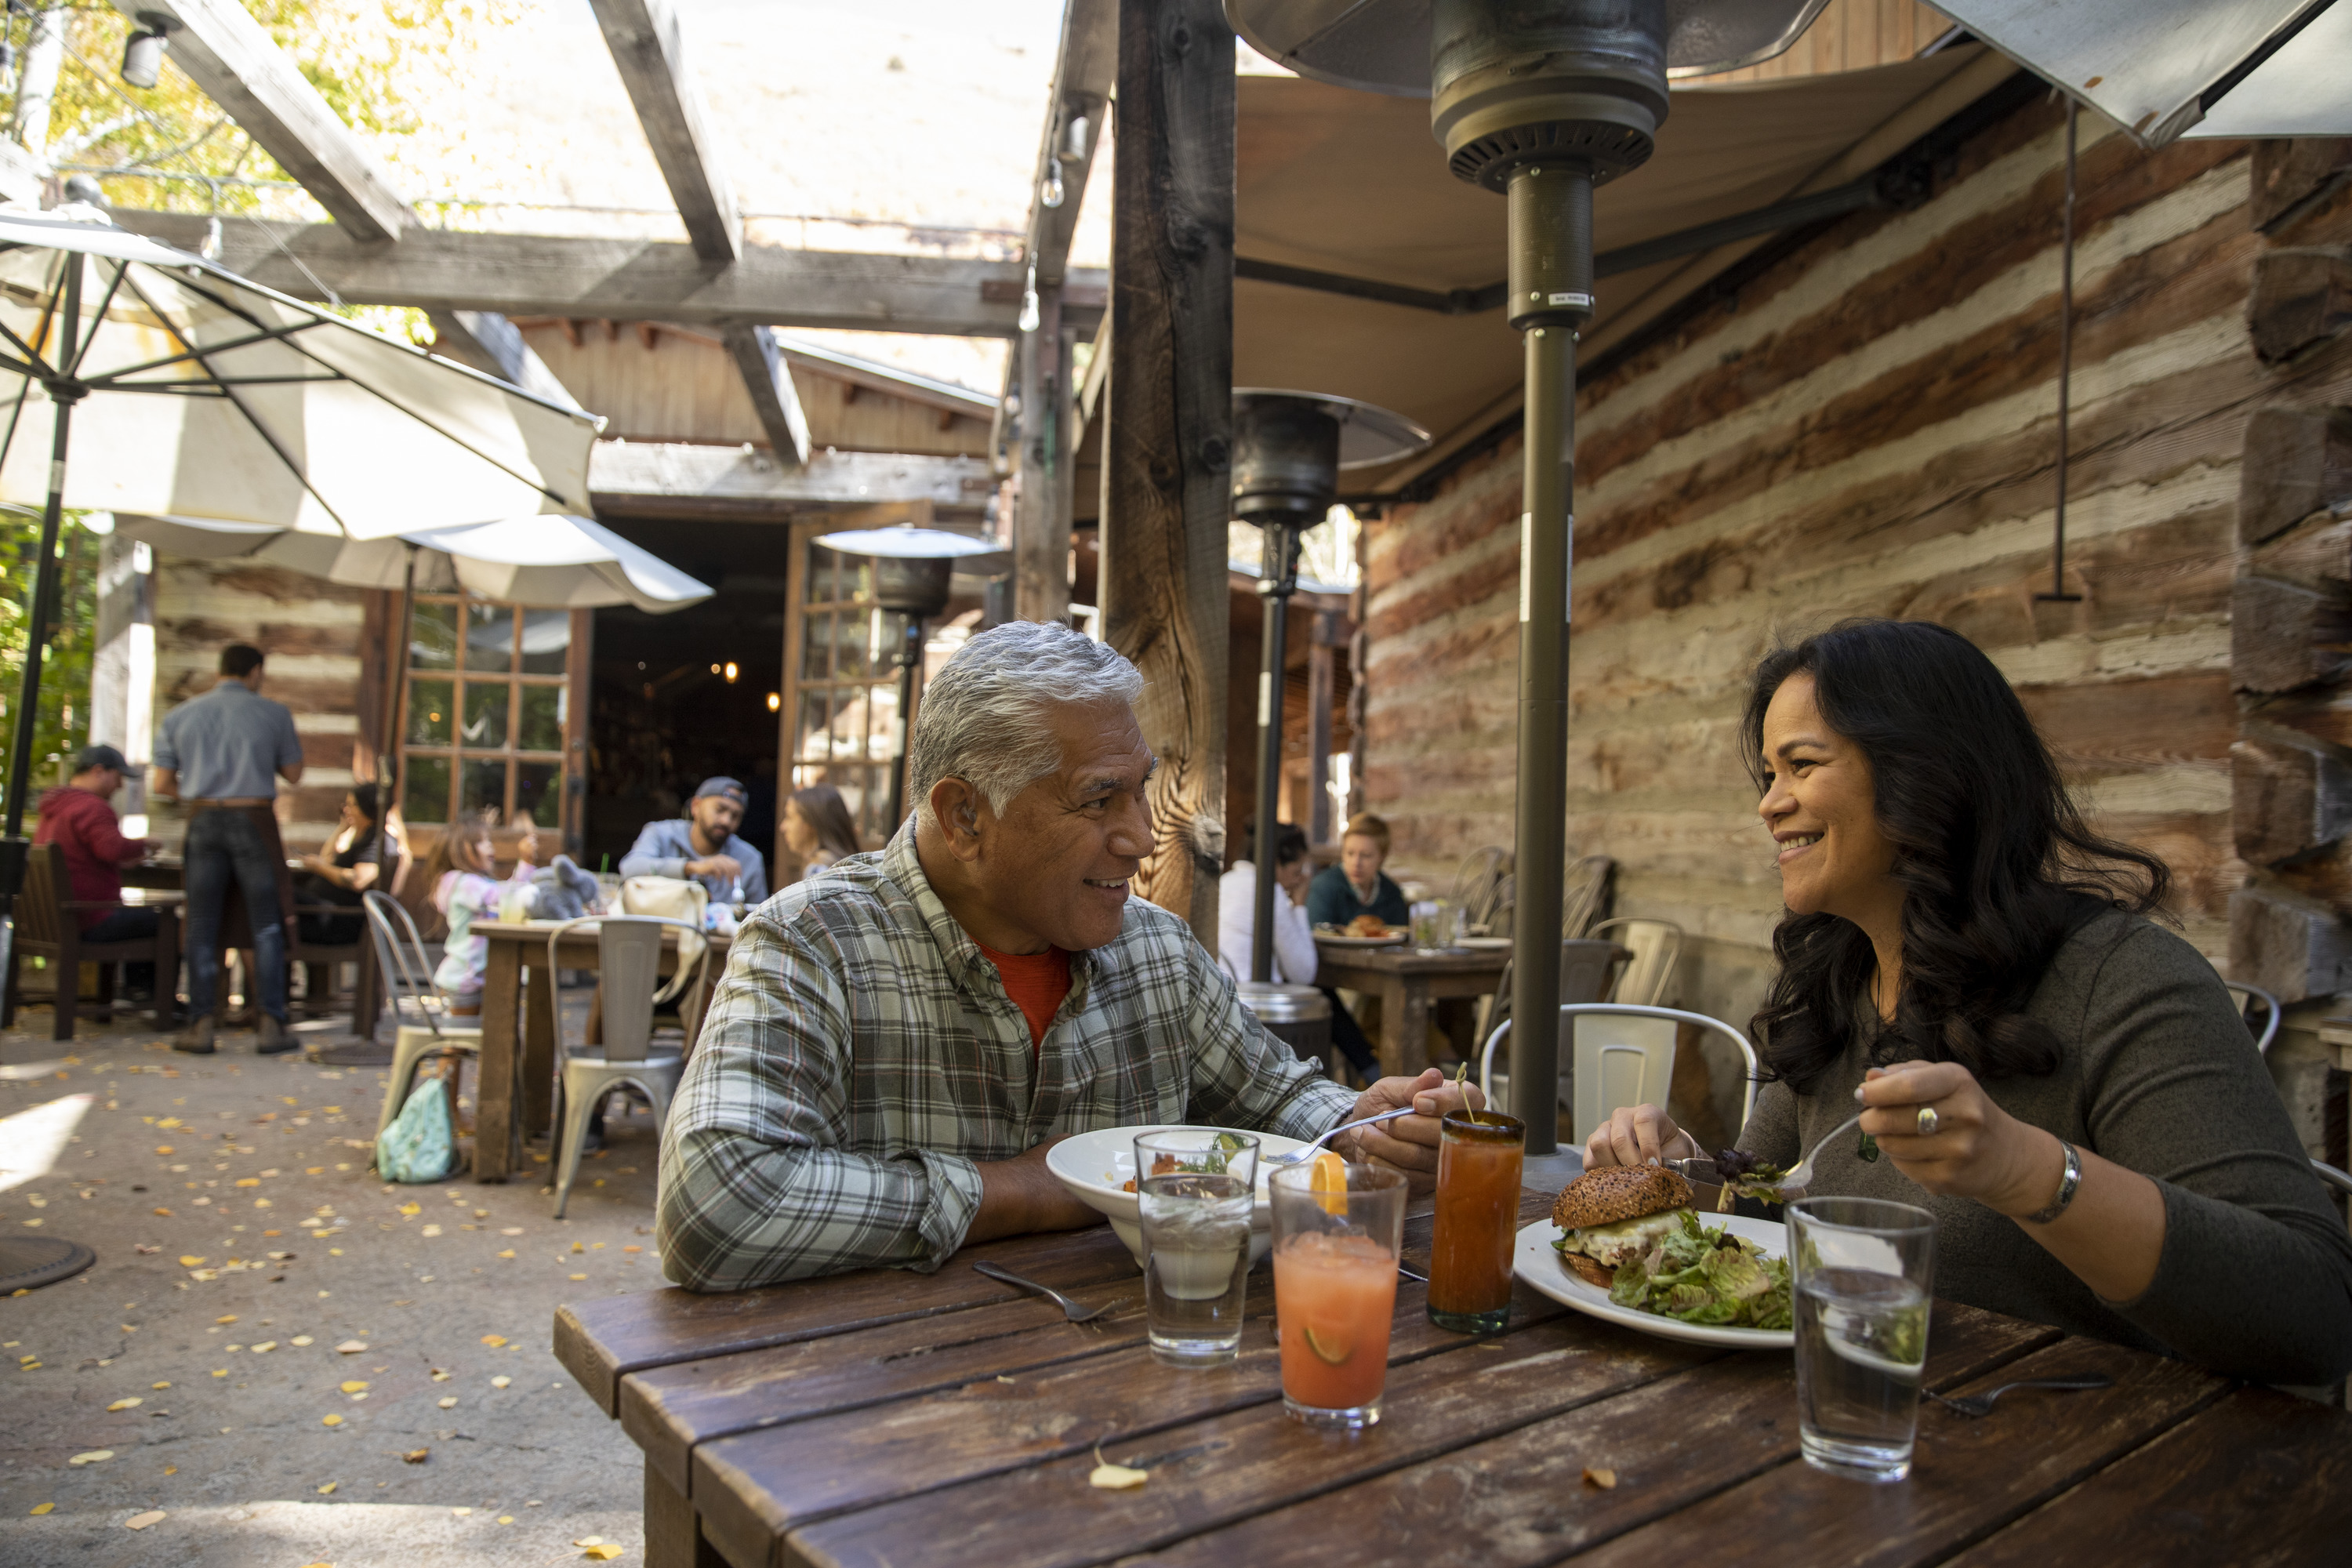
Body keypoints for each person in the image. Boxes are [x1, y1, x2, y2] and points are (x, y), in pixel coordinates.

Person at [1585, 619, 2352, 1386]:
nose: (1769, 805)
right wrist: (1684, 1171)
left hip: (2082, 1467)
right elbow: (1773, 1212)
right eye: (1769, 775)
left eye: (1802, 765)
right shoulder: (1835, 979)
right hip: (1849, 1421)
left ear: (1927, 773)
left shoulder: (2123, 980)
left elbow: (2315, 1311)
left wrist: (2030, 1172)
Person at [658, 620, 1483, 1290]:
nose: (1140, 836)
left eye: (1141, 788)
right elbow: (714, 1203)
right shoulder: (813, 942)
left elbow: (1277, 1098)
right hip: (884, 1435)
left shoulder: (1156, 949)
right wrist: (1034, 1189)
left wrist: (1366, 1128)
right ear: (966, 816)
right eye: (1098, 798)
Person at [152, 643, 303, 1056]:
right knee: (266, 924)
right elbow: (294, 773)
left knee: (201, 923)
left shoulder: (181, 715)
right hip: (254, 818)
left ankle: (201, 1024)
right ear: (255, 671)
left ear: (221, 670)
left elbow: (162, 785)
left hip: (202, 820)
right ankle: (271, 1022)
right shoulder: (273, 713)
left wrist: (204, 787)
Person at [34, 743, 158, 996]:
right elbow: (111, 848)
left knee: (142, 918)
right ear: (99, 771)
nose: (121, 786)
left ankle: (134, 992)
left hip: (55, 920)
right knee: (166, 920)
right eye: (118, 777)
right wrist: (147, 844)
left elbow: (88, 853)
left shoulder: (56, 807)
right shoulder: (92, 807)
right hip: (87, 919)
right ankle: (146, 995)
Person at [424, 815, 537, 1017]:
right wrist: (526, 864)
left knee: (478, 1036)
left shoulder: (466, 882)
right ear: (463, 849)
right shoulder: (463, 883)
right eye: (483, 842)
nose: (490, 847)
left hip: (469, 975)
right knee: (458, 1043)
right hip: (466, 979)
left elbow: (507, 898)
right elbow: (507, 898)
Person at [621, 776, 769, 906]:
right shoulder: (661, 833)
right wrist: (692, 867)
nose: (726, 820)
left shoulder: (750, 859)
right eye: (720, 809)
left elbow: (758, 918)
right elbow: (629, 869)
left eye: (735, 816)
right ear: (696, 806)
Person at [294, 785, 384, 947]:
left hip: (339, 920)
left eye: (351, 805)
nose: (346, 810)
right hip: (328, 913)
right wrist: (342, 827)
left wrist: (319, 868)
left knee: (280, 894)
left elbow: (358, 880)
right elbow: (327, 860)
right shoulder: (361, 837)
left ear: (366, 807)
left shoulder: (375, 841)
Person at [1307, 811, 1411, 931]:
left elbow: (1399, 938)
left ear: (1382, 857)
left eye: (1366, 855)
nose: (1356, 863)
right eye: (1350, 853)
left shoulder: (1391, 893)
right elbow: (1317, 938)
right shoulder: (1323, 887)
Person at [782, 784, 861, 876]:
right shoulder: (842, 864)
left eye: (789, 817)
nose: (783, 827)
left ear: (811, 822)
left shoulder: (818, 870)